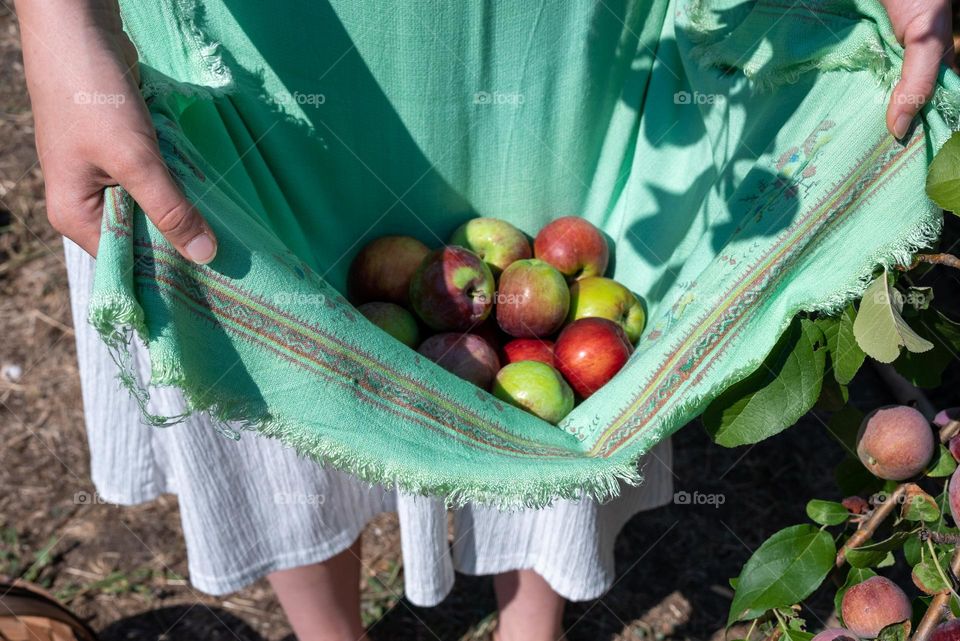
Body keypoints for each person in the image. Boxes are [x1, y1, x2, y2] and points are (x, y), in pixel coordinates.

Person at [15, 0, 953, 639]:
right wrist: (60, 24)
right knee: (272, 366)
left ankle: (530, 620)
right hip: (259, 57)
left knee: (568, 428)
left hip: (561, 62)